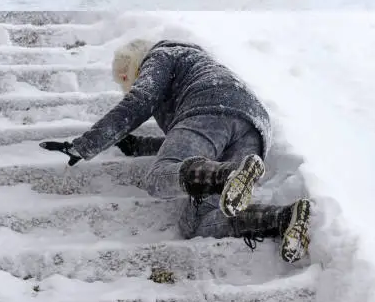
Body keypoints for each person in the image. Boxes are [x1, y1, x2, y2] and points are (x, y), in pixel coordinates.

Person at [40, 39, 311, 263]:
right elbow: (191, 142)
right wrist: (136, 145)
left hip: (211, 107)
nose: (128, 86)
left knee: (159, 178)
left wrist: (86, 145)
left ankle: (227, 175)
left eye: (126, 80)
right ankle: (283, 217)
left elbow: (140, 101)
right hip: (254, 127)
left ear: (131, 67)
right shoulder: (197, 67)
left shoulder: (161, 55)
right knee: (197, 223)